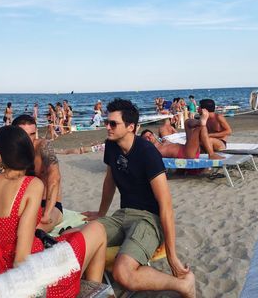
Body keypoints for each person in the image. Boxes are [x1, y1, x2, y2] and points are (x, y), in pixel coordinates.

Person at [0, 126, 107, 296]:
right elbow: (22, 257)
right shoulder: (31, 186)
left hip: (0, 272)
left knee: (74, 233)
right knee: (98, 229)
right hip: (34, 279)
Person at [83, 99, 195, 297]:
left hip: (148, 219)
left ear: (130, 127)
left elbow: (166, 205)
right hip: (122, 215)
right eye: (106, 123)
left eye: (113, 124)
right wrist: (101, 213)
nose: (107, 127)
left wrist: (172, 255)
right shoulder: (111, 146)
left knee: (122, 273)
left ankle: (183, 285)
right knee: (80, 237)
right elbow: (110, 180)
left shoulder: (147, 153)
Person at [12, 115, 62, 232]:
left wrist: (47, 213)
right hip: (22, 204)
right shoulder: (11, 152)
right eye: (25, 135)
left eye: (32, 134)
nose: (29, 139)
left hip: (48, 204)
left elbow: (55, 177)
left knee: (34, 230)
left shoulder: (43, 146)